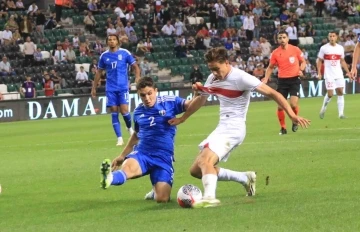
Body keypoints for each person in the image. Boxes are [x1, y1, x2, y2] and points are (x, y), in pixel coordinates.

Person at [167, 47, 310, 208]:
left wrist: (291, 115)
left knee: (205, 161)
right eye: (211, 69)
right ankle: (245, 178)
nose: (214, 73)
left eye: (217, 69)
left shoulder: (241, 78)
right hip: (222, 127)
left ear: (226, 63)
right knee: (196, 170)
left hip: (234, 128)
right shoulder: (212, 78)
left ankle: (209, 197)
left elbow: (274, 94)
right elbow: (201, 99)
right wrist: (183, 118)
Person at [100, 77, 192, 203]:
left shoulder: (169, 102)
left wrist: (197, 94)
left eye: (149, 93)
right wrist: (122, 156)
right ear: (138, 95)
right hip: (143, 154)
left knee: (162, 199)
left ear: (156, 91)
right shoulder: (138, 112)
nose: (147, 98)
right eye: (143, 95)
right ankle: (109, 178)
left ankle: (155, 190)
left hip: (163, 158)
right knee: (128, 170)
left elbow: (190, 105)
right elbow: (136, 135)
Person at [91, 34, 141, 146]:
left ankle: (129, 128)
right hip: (110, 88)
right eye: (109, 40)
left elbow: (135, 67)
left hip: (123, 87)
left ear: (117, 42)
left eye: (114, 39)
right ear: (107, 42)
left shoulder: (125, 53)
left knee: (124, 110)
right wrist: (94, 87)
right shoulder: (104, 56)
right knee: (114, 110)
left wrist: (137, 77)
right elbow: (99, 72)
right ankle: (119, 138)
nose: (112, 41)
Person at [262, 31, 306, 135]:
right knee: (280, 106)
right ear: (277, 40)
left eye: (284, 37)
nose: (282, 39)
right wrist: (265, 78)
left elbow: (303, 61)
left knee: (293, 104)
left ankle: (295, 121)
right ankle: (283, 128)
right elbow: (270, 67)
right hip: (282, 81)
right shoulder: (275, 53)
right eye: (280, 37)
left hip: (294, 79)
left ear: (288, 38)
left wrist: (301, 69)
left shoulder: (295, 49)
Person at [317, 32, 353, 119]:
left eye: (333, 36)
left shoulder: (340, 48)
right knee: (330, 94)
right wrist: (319, 72)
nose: (332, 38)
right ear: (328, 37)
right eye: (330, 36)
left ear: (336, 37)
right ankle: (324, 107)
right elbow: (319, 60)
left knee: (340, 92)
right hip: (329, 74)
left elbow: (342, 61)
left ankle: (341, 114)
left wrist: (348, 72)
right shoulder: (324, 48)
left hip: (338, 73)